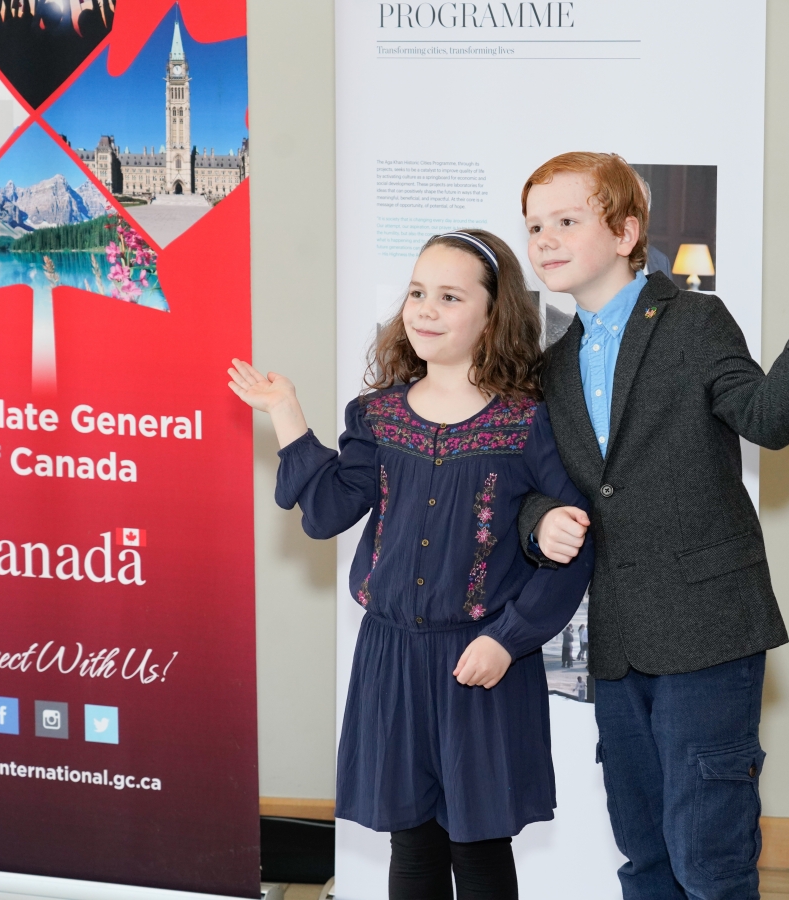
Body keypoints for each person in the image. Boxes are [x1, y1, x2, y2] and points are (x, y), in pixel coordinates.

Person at [515, 152, 789, 900]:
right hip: (619, 645)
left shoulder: (693, 320)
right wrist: (540, 523)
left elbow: (768, 419)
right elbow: (545, 487)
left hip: (709, 631)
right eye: (535, 225)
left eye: (567, 220)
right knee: (646, 859)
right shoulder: (554, 365)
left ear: (628, 231)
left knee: (709, 863)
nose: (546, 238)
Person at [229, 228, 593, 900]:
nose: (425, 308)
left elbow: (570, 553)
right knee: (413, 844)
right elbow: (329, 512)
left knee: (479, 849)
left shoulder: (527, 424)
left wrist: (506, 641)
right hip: (390, 656)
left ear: (493, 316)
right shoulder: (376, 416)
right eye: (418, 292)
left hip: (483, 664)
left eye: (449, 296)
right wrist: (285, 412)